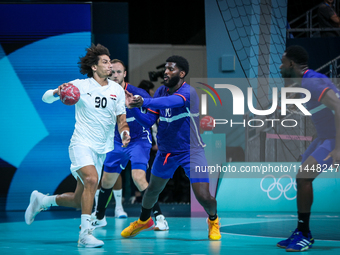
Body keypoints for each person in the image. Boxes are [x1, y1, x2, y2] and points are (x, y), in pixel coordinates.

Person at [24, 44, 130, 248]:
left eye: (110, 62)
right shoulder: (80, 86)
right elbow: (45, 98)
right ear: (94, 67)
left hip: (101, 149)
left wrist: (125, 133)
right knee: (92, 179)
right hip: (81, 143)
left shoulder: (117, 90)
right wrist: (57, 92)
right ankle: (86, 234)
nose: (110, 66)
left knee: (77, 200)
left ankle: (42, 201)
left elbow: (122, 120)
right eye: (105, 62)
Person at [121, 55, 221, 240]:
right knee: (151, 190)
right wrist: (133, 107)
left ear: (181, 74)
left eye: (171, 69)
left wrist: (144, 101)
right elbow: (148, 121)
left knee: (204, 196)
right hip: (166, 152)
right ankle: (144, 221)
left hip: (191, 151)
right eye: (165, 69)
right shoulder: (160, 91)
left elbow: (170, 102)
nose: (165, 72)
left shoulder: (188, 92)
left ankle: (213, 220)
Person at [91, 59, 169, 231]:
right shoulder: (105, 94)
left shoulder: (137, 93)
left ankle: (160, 218)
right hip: (117, 141)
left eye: (119, 72)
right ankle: (100, 217)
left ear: (125, 74)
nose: (115, 75)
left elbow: (152, 115)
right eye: (112, 72)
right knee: (106, 180)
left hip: (139, 140)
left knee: (139, 178)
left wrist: (134, 107)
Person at [277, 45, 340, 251]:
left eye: (283, 62)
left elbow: (338, 108)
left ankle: (304, 234)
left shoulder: (312, 81)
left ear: (292, 64)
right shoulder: (305, 82)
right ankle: (302, 231)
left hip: (334, 138)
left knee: (303, 177)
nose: (280, 66)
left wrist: (337, 148)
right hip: (324, 137)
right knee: (302, 174)